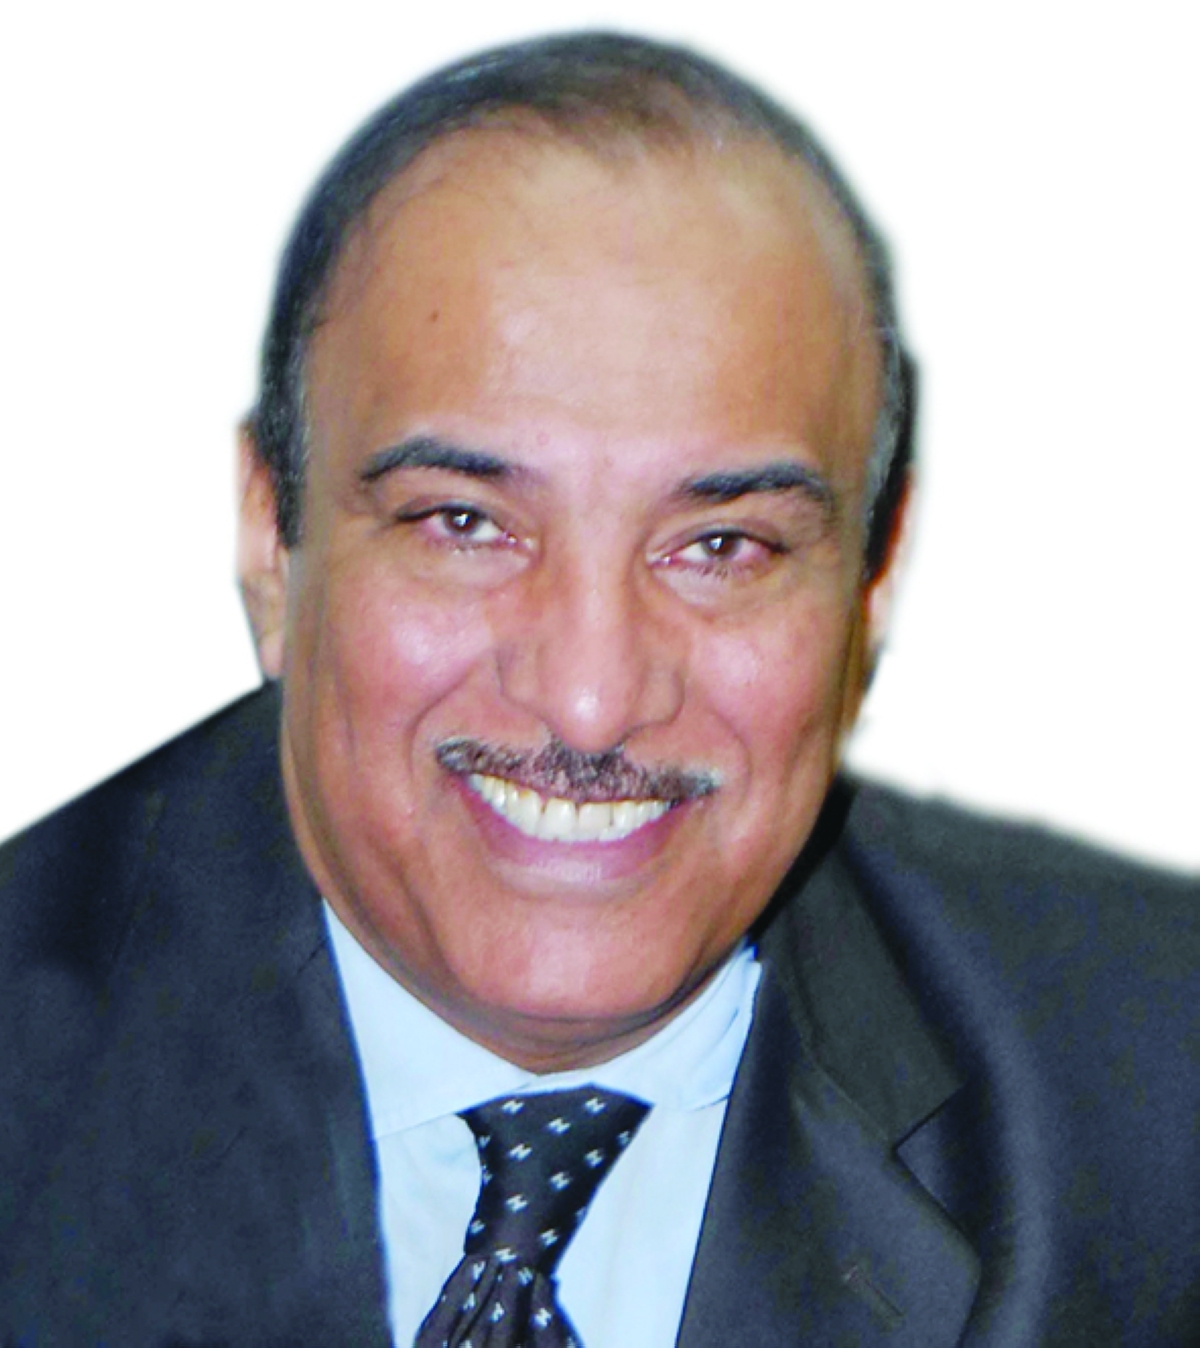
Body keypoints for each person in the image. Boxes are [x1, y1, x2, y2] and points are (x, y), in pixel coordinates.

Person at [0, 30, 1196, 1347]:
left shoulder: (1162, 1109)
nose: (588, 700)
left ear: (873, 579)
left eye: (721, 547)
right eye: (465, 524)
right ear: (270, 541)